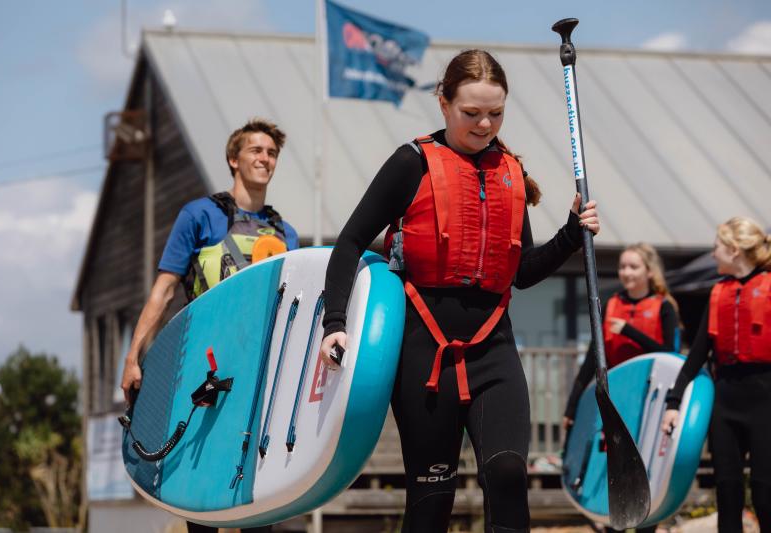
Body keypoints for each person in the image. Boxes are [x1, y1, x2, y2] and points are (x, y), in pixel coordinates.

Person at [318, 49, 599, 533]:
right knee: (432, 498)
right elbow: (349, 241)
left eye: (496, 113)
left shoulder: (509, 171)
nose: (485, 124)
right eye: (471, 113)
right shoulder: (411, 163)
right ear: (443, 103)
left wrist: (571, 234)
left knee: (509, 474)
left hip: (495, 349)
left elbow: (523, 272)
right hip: (422, 354)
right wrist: (335, 324)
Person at [120, 118, 298, 533]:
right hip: (206, 368)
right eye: (256, 150)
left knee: (260, 493)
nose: (265, 158)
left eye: (271, 153)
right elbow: (163, 291)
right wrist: (133, 358)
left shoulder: (284, 233)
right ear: (234, 159)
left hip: (260, 370)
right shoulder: (199, 216)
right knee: (202, 490)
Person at [662, 217, 771, 533]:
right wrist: (674, 401)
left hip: (766, 400)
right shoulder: (718, 292)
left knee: (765, 492)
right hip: (725, 402)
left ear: (734, 250)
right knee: (727, 490)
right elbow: (697, 354)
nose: (713, 255)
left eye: (717, 248)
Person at [562, 243, 680, 533]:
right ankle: (612, 522)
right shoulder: (611, 303)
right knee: (611, 467)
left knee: (646, 467)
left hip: (651, 401)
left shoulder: (664, 307)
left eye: (633, 267)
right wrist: (572, 406)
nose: (626, 273)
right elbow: (592, 359)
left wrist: (628, 331)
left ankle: (646, 525)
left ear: (649, 272)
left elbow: (669, 355)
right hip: (617, 401)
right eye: (622, 267)